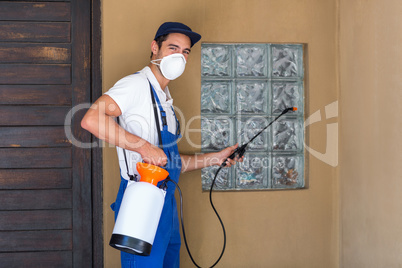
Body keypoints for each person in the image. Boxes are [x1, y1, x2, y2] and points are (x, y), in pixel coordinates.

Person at [81, 22, 242, 268]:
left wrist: (216, 158)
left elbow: (171, 162)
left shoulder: (165, 100)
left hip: (166, 201)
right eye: (172, 48)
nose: (179, 56)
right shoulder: (135, 85)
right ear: (155, 47)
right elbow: (91, 119)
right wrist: (144, 147)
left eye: (185, 51)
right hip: (141, 201)